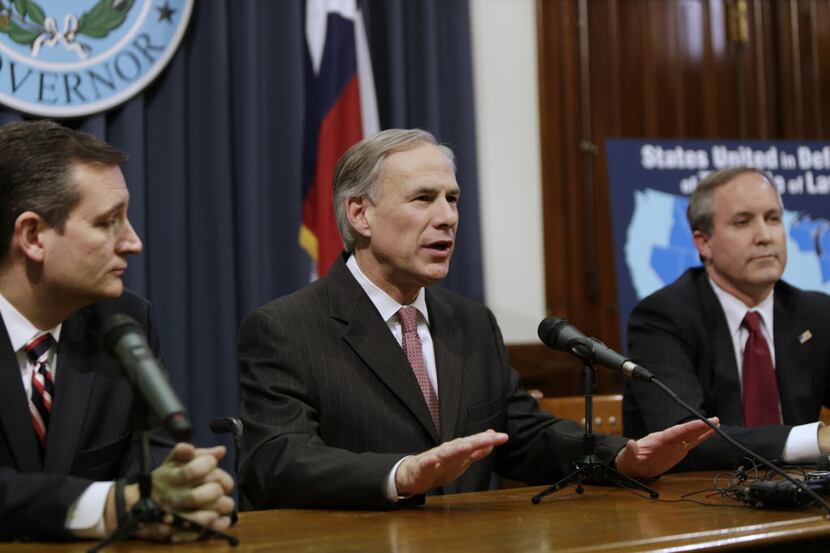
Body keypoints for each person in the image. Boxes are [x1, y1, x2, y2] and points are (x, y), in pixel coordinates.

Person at [238, 128, 715, 509]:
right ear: (360, 215)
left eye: (453, 199)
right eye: (424, 199)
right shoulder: (286, 327)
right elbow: (276, 460)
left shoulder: (471, 322)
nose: (447, 217)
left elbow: (523, 435)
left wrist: (623, 456)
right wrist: (400, 474)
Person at [0, 120, 235, 540]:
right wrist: (115, 505)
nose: (133, 242)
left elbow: (155, 466)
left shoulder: (124, 323)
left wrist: (189, 495)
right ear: (33, 235)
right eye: (109, 221)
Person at [624, 167, 830, 470]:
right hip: (688, 504)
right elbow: (683, 440)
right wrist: (813, 440)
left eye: (773, 218)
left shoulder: (816, 313)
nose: (764, 236)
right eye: (743, 222)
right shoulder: (662, 318)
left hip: (799, 498)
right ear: (703, 243)